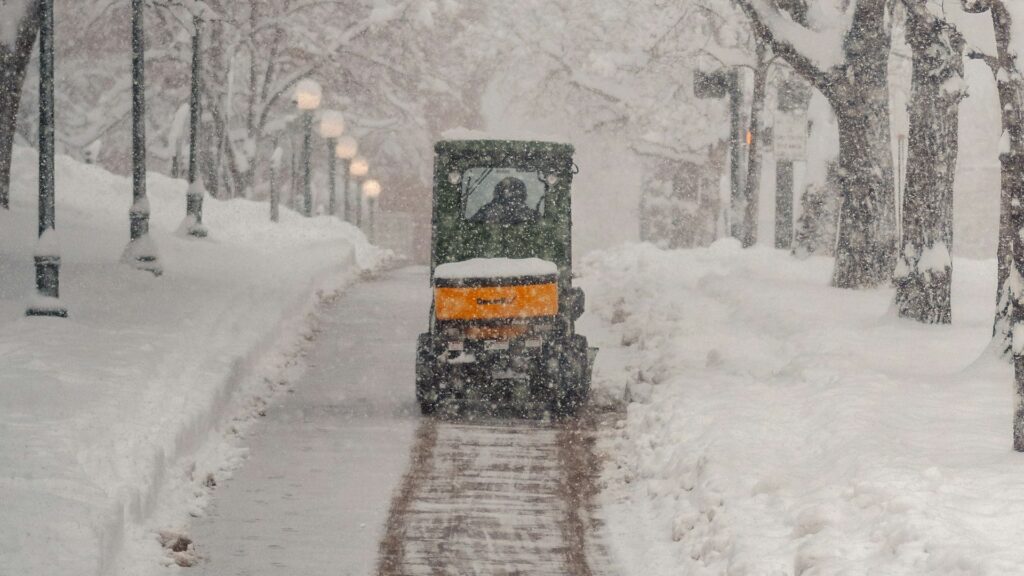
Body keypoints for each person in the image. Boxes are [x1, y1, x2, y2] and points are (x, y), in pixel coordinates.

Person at [469, 176, 538, 224]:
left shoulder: (486, 211)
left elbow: (471, 226)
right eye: (504, 189)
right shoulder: (531, 215)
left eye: (512, 190)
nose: (508, 192)